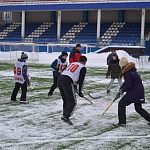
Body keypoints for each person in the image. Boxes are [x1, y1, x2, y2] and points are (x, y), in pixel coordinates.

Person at [115, 57, 150, 127]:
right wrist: (121, 89)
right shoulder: (130, 70)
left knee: (121, 104)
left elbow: (129, 85)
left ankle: (122, 122)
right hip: (138, 92)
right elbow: (127, 83)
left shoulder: (128, 72)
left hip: (135, 92)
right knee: (138, 108)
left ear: (122, 64)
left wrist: (121, 91)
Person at [58, 56, 87, 125]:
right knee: (72, 101)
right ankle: (66, 116)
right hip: (67, 80)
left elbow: (69, 73)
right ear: (85, 62)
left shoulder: (72, 63)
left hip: (60, 78)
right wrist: (80, 91)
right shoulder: (83, 67)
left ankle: (64, 114)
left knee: (66, 100)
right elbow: (81, 81)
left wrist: (74, 85)